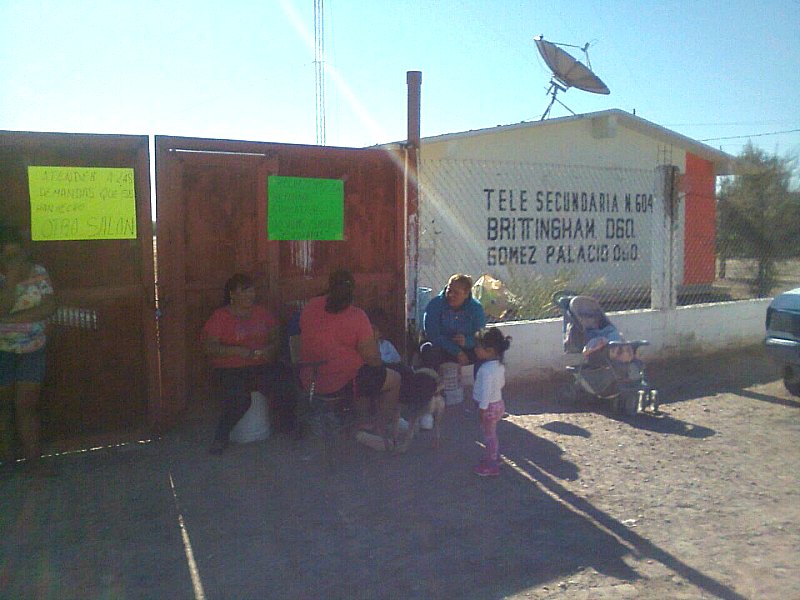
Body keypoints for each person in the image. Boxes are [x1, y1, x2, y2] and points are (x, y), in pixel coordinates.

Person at [299, 270, 401, 443]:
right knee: (393, 378)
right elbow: (373, 359)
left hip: (310, 380)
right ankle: (382, 429)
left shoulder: (311, 306)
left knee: (363, 374)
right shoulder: (357, 316)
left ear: (329, 288)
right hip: (339, 382)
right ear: (352, 292)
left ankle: (362, 425)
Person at [202, 273, 290, 455]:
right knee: (239, 399)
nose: (250, 295)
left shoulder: (262, 313)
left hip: (259, 364)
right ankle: (221, 436)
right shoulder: (220, 316)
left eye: (252, 291)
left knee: (283, 384)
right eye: (245, 291)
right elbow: (209, 347)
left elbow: (276, 336)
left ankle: (288, 426)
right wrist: (236, 351)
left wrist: (270, 349)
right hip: (230, 368)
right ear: (232, 294)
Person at [0, 227, 56, 472]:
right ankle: (8, 462)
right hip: (3, 351)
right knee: (4, 408)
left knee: (27, 406)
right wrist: (11, 281)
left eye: (17, 255)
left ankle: (34, 463)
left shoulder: (39, 273)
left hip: (33, 349)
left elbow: (49, 307)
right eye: (8, 257)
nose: (15, 261)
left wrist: (11, 320)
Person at [420, 273, 486, 370]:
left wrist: (467, 341)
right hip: (442, 348)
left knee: (484, 352)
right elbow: (432, 334)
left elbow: (480, 335)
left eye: (456, 293)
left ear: (466, 294)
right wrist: (457, 352)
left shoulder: (476, 308)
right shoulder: (435, 304)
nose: (451, 295)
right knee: (428, 348)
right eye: (449, 290)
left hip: (466, 348)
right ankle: (434, 380)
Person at [471, 327, 512, 477]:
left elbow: (485, 393)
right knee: (492, 433)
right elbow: (500, 384)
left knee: (489, 436)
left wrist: (482, 409)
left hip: (488, 407)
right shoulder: (499, 366)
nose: (475, 349)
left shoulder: (485, 370)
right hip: (498, 404)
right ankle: (494, 456)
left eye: (478, 347)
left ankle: (492, 465)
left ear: (489, 350)